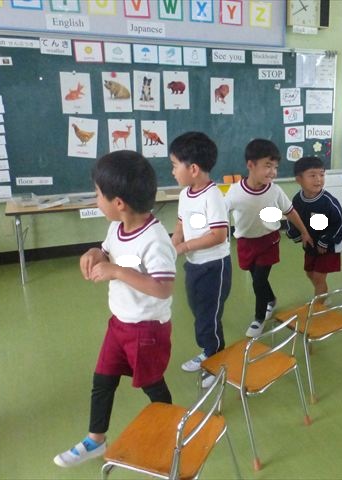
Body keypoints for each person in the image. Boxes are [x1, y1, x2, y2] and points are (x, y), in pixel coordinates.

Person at [54, 151, 176, 468]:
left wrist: (118, 272)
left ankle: (173, 428)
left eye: (98, 194)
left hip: (147, 330)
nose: (96, 200)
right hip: (119, 324)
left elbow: (163, 288)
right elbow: (108, 251)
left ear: (119, 202)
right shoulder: (117, 227)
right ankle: (95, 440)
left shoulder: (155, 239)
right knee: (103, 381)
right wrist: (96, 253)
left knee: (152, 384)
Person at [225, 139, 313, 337]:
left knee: (258, 281)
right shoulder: (235, 191)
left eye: (275, 167)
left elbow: (290, 212)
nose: (273, 172)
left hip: (268, 241)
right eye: (267, 166)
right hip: (246, 242)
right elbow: (221, 211)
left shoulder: (275, 190)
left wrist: (304, 232)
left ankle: (259, 319)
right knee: (257, 277)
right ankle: (271, 299)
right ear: (250, 165)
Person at [169, 132, 231, 388]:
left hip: (214, 267)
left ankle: (215, 361)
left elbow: (219, 235)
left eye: (175, 165)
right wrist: (172, 244)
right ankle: (209, 351)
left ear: (193, 169)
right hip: (194, 264)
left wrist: (183, 247)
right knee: (199, 311)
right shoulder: (186, 194)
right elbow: (181, 223)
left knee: (208, 316)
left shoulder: (213, 196)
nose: (173, 171)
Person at [287, 156, 342, 300]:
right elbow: (293, 218)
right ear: (299, 179)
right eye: (312, 175)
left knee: (318, 276)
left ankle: (320, 305)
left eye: (321, 174)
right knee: (310, 273)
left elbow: (341, 225)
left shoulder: (329, 201)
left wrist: (325, 241)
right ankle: (323, 294)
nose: (318, 179)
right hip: (310, 245)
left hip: (329, 246)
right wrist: (295, 234)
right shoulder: (297, 200)